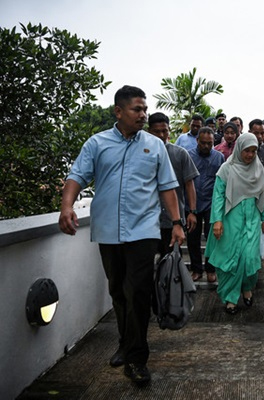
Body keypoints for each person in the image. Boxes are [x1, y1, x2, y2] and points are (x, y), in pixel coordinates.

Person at [58, 85, 185, 385]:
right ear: (118, 111)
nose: (143, 115)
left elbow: (167, 186)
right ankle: (124, 343)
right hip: (108, 231)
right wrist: (66, 207)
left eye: (144, 109)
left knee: (139, 290)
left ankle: (137, 359)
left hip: (143, 230)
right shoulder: (97, 144)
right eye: (136, 110)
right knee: (118, 290)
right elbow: (76, 175)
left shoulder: (154, 146)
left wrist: (177, 222)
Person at [205, 133, 264, 314]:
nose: (250, 155)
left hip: (252, 217)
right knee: (231, 258)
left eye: (253, 151)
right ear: (239, 149)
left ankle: (247, 287)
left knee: (249, 256)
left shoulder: (259, 169)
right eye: (246, 151)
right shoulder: (227, 169)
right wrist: (217, 220)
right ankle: (230, 297)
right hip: (230, 216)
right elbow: (218, 196)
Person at [148, 112, 199, 257]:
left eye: (164, 131)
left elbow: (189, 184)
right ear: (149, 132)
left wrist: (192, 211)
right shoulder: (141, 154)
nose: (161, 135)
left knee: (172, 262)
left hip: (173, 221)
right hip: (148, 220)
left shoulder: (180, 154)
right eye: (156, 132)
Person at [187, 127, 225, 283]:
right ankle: (196, 269)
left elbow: (222, 182)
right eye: (203, 143)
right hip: (192, 204)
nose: (206, 146)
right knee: (192, 238)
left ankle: (210, 269)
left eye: (210, 143)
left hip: (211, 203)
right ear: (197, 141)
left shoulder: (219, 157)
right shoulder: (188, 156)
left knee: (212, 238)